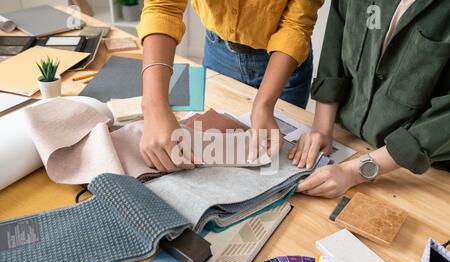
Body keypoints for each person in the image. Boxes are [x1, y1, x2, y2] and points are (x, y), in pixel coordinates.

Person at [137, 0, 324, 172]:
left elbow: (295, 25)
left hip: (282, 61)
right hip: (218, 50)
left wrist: (263, 106)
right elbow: (163, 7)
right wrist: (154, 106)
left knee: (280, 160)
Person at [291, 0, 450, 198]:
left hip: (420, 174)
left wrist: (354, 172)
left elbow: (442, 124)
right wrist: (322, 128)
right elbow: (335, 43)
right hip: (347, 140)